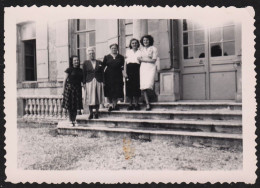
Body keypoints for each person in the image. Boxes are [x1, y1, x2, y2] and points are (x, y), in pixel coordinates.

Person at [82, 47, 104, 120]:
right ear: (88, 55)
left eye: (93, 53)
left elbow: (102, 73)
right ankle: (91, 113)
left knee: (97, 96)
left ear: (95, 54)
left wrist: (103, 82)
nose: (92, 55)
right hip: (89, 82)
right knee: (90, 98)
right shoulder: (85, 63)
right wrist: (84, 83)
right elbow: (84, 73)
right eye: (90, 53)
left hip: (98, 81)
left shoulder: (99, 62)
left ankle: (97, 112)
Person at [138, 35, 158, 111]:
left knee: (149, 84)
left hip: (151, 67)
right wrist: (144, 59)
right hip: (143, 68)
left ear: (150, 41)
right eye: (144, 41)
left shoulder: (154, 49)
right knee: (143, 86)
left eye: (147, 40)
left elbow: (153, 60)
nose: (145, 42)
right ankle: (147, 103)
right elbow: (138, 59)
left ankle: (152, 99)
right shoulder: (141, 49)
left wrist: (143, 60)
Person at [103, 43, 125, 111]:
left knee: (116, 90)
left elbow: (123, 67)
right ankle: (110, 105)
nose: (114, 49)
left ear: (117, 49)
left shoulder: (121, 57)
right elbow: (103, 67)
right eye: (112, 48)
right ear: (110, 49)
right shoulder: (106, 57)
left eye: (115, 48)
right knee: (109, 91)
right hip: (108, 76)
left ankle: (115, 105)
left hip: (118, 76)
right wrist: (103, 78)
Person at [62, 55, 83, 126]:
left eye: (77, 60)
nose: (76, 62)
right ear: (72, 62)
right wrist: (63, 91)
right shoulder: (69, 69)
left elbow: (83, 81)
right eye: (75, 60)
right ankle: (70, 120)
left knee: (76, 105)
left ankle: (75, 120)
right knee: (70, 106)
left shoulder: (81, 70)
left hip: (77, 89)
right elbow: (64, 80)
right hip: (70, 89)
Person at [124, 38, 141, 111]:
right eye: (133, 43)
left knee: (137, 87)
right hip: (129, 70)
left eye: (135, 43)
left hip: (137, 70)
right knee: (129, 87)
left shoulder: (140, 52)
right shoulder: (128, 52)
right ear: (130, 44)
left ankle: (136, 104)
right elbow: (125, 63)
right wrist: (124, 72)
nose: (134, 44)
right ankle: (130, 104)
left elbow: (141, 62)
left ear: (138, 44)